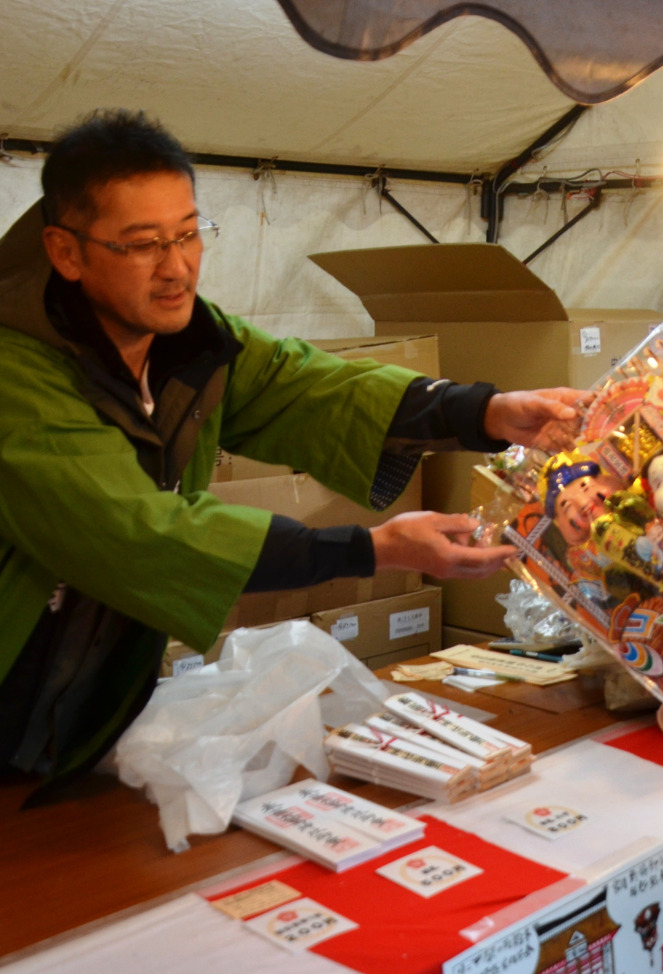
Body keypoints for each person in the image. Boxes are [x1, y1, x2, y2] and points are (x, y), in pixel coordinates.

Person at [0, 109, 583, 798]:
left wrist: (484, 411)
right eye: (142, 244)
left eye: (189, 234)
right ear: (66, 251)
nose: (176, 267)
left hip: (87, 702)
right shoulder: (17, 374)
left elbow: (307, 386)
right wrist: (371, 550)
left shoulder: (190, 343)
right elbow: (135, 532)